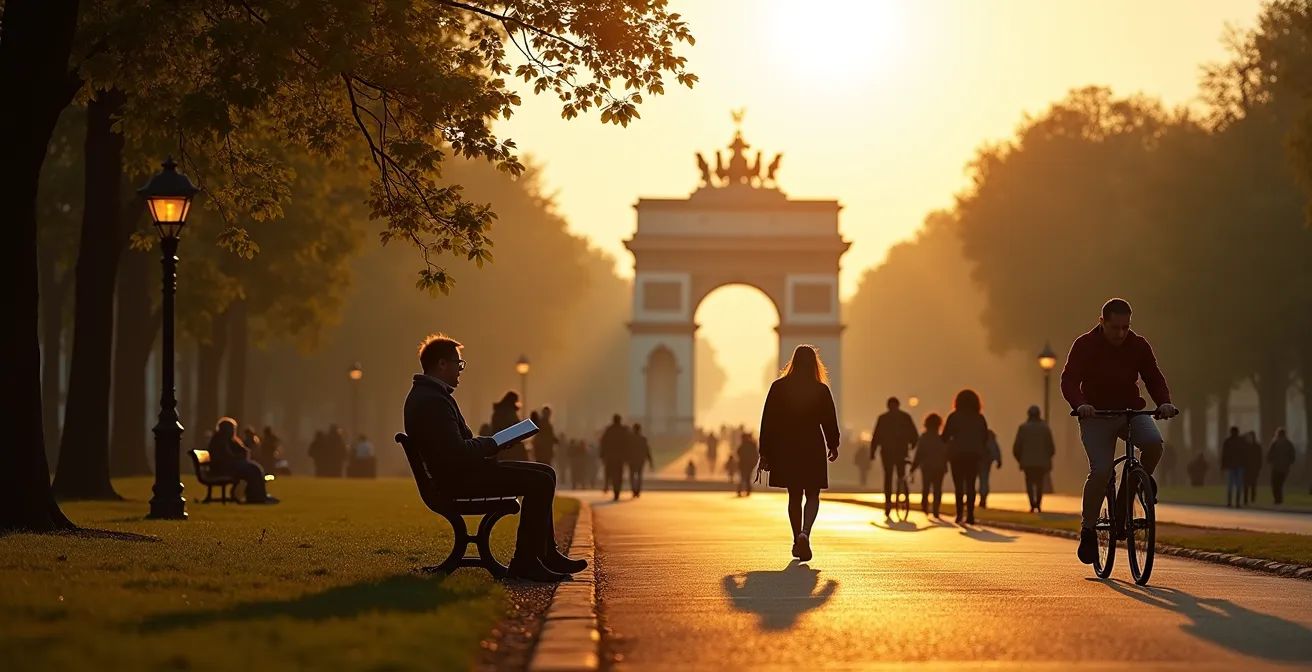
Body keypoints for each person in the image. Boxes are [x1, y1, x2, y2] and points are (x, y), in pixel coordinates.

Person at [402, 333, 585, 582]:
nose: (460, 370)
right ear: (442, 364)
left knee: (545, 473)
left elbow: (455, 447)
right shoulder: (433, 401)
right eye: (458, 363)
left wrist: (492, 444)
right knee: (540, 481)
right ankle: (527, 562)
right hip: (457, 482)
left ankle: (545, 553)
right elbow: (456, 452)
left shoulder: (432, 396)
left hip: (458, 475)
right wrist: (493, 443)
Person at [1061, 298, 1178, 565]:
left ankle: (1132, 486)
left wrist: (1164, 402)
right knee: (1101, 471)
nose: (1121, 334)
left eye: (1126, 327)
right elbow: (1069, 380)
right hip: (1096, 415)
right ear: (1102, 322)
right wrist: (1081, 405)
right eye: (1115, 328)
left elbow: (1153, 377)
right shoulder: (1085, 345)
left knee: (1153, 443)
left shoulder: (1138, 345)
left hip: (1130, 412)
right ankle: (1089, 529)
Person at [758, 345, 840, 562]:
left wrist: (764, 451)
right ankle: (805, 532)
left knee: (794, 495)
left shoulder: (779, 387)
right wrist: (833, 444)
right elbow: (829, 419)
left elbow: (769, 422)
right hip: (812, 445)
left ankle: (797, 538)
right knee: (813, 493)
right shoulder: (820, 389)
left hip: (787, 447)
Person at [942, 389, 989, 525]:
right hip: (973, 454)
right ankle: (970, 515)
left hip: (957, 454)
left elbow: (945, 437)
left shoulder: (954, 417)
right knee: (971, 484)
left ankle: (959, 514)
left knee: (959, 486)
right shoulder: (979, 418)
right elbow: (985, 436)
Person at [208, 417, 277, 504]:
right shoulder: (219, 441)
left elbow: (243, 451)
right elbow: (227, 458)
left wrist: (242, 452)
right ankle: (256, 497)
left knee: (256, 468)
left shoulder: (230, 440)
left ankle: (260, 496)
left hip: (231, 467)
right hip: (223, 470)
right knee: (253, 470)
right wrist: (239, 456)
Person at [870, 397, 918, 518]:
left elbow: (876, 436)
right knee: (901, 475)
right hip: (901, 451)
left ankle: (888, 503)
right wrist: (912, 445)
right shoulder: (905, 417)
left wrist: (873, 452)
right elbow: (914, 434)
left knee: (888, 477)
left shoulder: (883, 418)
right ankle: (902, 494)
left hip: (887, 452)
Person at [1012, 405, 1056, 513]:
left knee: (1029, 484)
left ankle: (1032, 504)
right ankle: (1038, 504)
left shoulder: (1023, 428)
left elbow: (1017, 447)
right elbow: (1051, 447)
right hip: (1041, 462)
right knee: (1040, 483)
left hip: (1027, 462)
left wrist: (1020, 459)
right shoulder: (1045, 428)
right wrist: (1047, 457)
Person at [911, 413, 948, 518]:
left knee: (926, 487)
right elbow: (945, 453)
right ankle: (936, 509)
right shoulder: (941, 438)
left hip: (926, 466)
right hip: (939, 466)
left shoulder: (924, 438)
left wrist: (914, 466)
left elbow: (919, 453)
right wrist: (945, 465)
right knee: (937, 488)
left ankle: (925, 506)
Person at [600, 414, 630, 500]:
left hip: (610, 456)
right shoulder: (624, 430)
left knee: (610, 472)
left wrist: (602, 454)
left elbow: (603, 442)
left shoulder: (609, 430)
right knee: (619, 474)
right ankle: (617, 490)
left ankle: (608, 485)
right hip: (620, 456)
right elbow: (628, 444)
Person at [490, 392, 527, 462]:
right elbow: (516, 427)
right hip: (511, 447)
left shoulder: (497, 412)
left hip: (499, 447)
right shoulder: (510, 412)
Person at [1268, 427, 1297, 505]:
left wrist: (1270, 461)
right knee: (1279, 484)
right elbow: (1292, 454)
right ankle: (1279, 499)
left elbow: (1270, 454)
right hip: (1284, 468)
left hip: (1276, 467)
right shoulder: (1288, 443)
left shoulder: (1275, 443)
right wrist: (1290, 462)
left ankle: (1277, 499)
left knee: (1275, 484)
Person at [1221, 426, 1246, 508]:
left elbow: (1224, 454)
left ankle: (1230, 502)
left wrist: (1223, 465)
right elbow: (1245, 454)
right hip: (1238, 465)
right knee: (1238, 484)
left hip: (1231, 465)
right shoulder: (1241, 441)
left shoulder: (1228, 441)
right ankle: (1237, 502)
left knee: (1231, 484)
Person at [627, 423, 654, 497]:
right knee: (639, 475)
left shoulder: (630, 439)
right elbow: (647, 451)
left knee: (632, 476)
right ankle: (638, 490)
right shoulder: (643, 439)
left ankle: (633, 489)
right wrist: (650, 461)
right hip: (640, 460)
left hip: (632, 460)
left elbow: (626, 450)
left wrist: (625, 459)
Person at [978, 429, 1003, 509]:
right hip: (986, 461)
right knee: (984, 480)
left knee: (970, 481)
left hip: (975, 459)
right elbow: (994, 448)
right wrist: (998, 460)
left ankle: (971, 498)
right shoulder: (989, 434)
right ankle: (983, 499)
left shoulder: (972, 433)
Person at [737, 431, 759, 496]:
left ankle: (743, 490)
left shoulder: (747, 445)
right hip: (747, 464)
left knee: (744, 478)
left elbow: (739, 452)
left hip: (745, 464)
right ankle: (747, 490)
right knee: (746, 478)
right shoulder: (751, 445)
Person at [1243, 430, 1262, 505]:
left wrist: (1259, 467)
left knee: (1253, 484)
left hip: (1254, 468)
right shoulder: (1245, 447)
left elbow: (1259, 458)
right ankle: (1245, 499)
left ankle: (1253, 498)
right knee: (1246, 484)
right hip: (1246, 467)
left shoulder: (1257, 447)